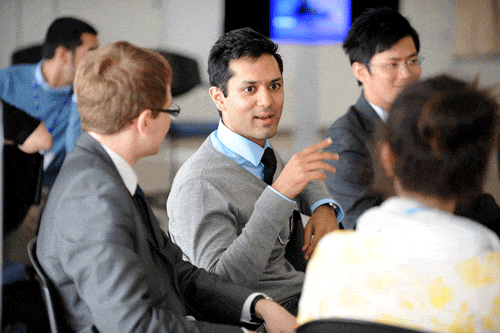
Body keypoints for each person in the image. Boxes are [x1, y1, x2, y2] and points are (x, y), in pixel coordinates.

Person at [36, 40, 296, 333]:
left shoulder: (102, 173)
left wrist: (258, 304)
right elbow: (134, 326)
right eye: (170, 110)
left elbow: (177, 272)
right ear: (146, 121)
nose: (171, 122)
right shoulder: (94, 201)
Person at [297, 75, 500, 332]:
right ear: (481, 166)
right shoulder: (492, 278)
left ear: (387, 157)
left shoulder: (330, 259)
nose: (403, 73)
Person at [167, 27, 343, 316]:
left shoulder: (257, 148)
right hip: (269, 315)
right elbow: (219, 290)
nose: (267, 101)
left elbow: (291, 173)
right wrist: (279, 196)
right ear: (219, 98)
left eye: (275, 85)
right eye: (250, 89)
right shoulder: (199, 185)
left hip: (306, 293)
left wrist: (322, 206)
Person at [323, 7, 422, 229]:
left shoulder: (427, 121)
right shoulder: (344, 140)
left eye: (412, 61)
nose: (406, 74)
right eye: (392, 64)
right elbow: (363, 223)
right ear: (360, 72)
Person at [0, 16, 98, 186]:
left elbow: (77, 157)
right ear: (63, 54)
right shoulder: (6, 81)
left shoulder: (83, 99)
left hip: (46, 192)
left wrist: (79, 95)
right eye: (90, 52)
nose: (96, 61)